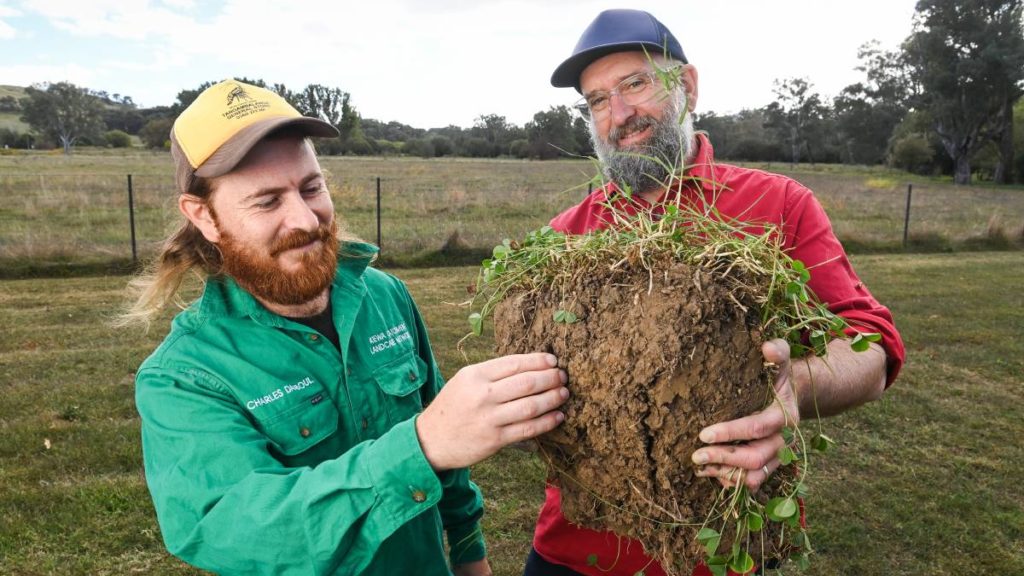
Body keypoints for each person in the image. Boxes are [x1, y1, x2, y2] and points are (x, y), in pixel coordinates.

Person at [125, 79, 570, 576]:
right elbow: (235, 528)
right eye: (267, 202)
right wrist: (419, 447)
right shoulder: (184, 376)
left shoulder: (384, 296)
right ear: (204, 217)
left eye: (311, 188)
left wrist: (469, 553)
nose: (304, 219)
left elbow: (451, 457)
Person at [524, 9, 906, 576]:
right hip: (577, 550)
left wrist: (793, 388)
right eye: (598, 100)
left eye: (636, 83)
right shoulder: (564, 236)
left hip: (722, 548)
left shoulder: (777, 205)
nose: (620, 115)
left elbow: (870, 347)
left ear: (688, 86)